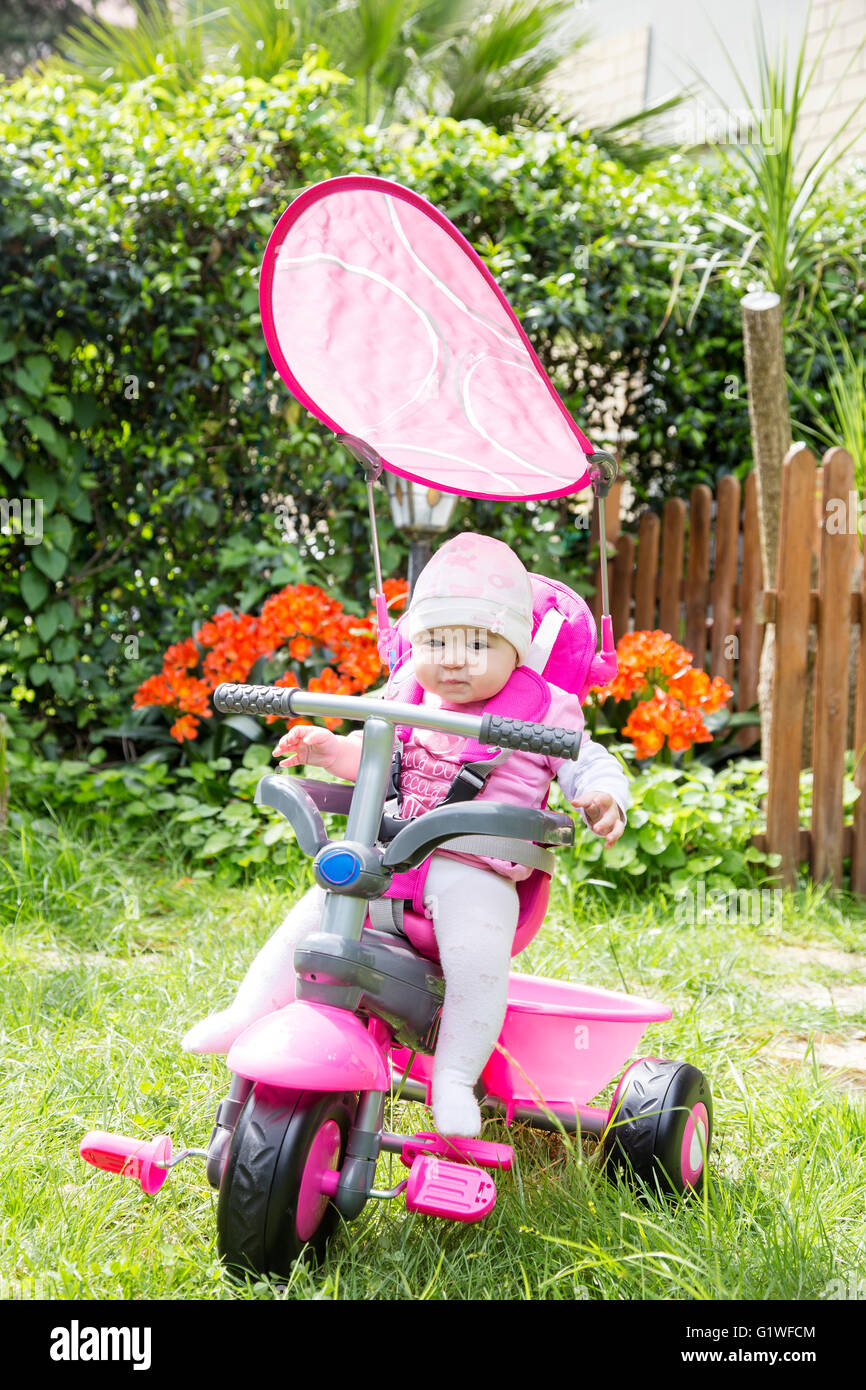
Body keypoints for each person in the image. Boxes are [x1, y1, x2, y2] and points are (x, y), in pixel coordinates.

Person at [183, 534, 630, 1137]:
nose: (452, 659)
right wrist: (327, 748)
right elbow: (373, 755)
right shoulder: (404, 697)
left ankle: (452, 1078)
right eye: (436, 641)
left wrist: (603, 796)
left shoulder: (545, 712)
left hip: (476, 868)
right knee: (312, 915)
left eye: (477, 643)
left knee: (476, 959)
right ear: (414, 643)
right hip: (389, 859)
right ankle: (249, 1012)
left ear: (517, 650)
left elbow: (588, 761)